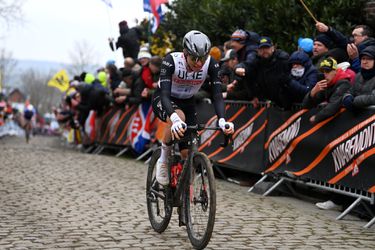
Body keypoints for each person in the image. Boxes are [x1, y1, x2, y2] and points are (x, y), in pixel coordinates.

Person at [152, 30, 234, 185]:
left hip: (188, 101)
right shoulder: (171, 61)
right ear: (185, 53)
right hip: (165, 98)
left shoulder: (211, 64)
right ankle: (163, 159)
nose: (198, 63)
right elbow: (164, 95)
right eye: (194, 58)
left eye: (202, 58)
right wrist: (175, 119)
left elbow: (217, 95)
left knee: (187, 152)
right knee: (180, 118)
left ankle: (182, 191)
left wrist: (222, 121)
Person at [302, 58, 352, 123]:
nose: (325, 74)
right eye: (323, 71)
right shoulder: (328, 84)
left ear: (335, 71)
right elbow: (306, 106)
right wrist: (312, 93)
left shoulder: (344, 83)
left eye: (328, 71)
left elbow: (333, 105)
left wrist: (317, 118)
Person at [343, 45, 375, 111]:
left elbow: (373, 98)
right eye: (363, 58)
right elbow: (350, 91)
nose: (365, 62)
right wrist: (347, 97)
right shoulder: (358, 75)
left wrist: (354, 101)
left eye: (369, 59)